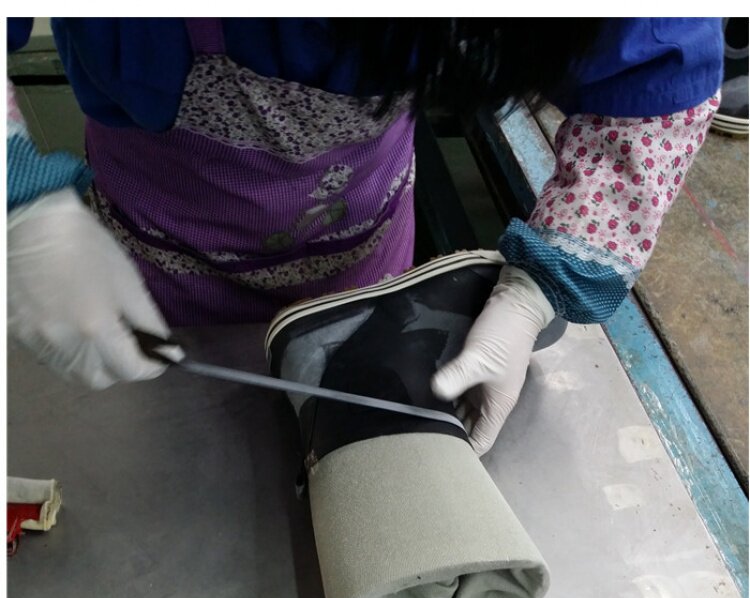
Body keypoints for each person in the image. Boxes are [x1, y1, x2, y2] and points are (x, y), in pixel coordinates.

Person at [7, 18, 723, 455]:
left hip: (363, 255)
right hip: (143, 273)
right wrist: (17, 199)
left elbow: (658, 74)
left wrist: (538, 289)